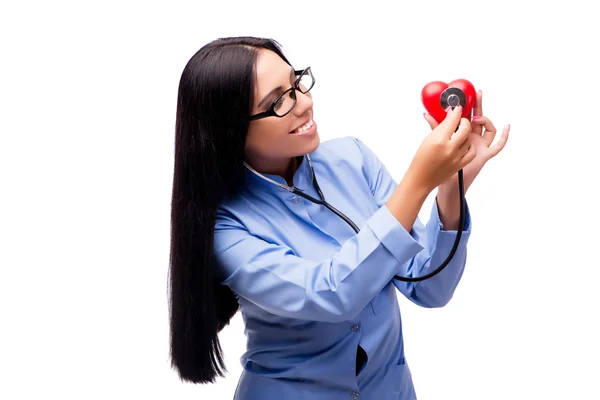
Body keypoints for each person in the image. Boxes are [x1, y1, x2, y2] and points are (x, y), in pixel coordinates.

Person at [168, 36, 509, 400]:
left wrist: (450, 186)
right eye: (278, 101)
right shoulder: (226, 227)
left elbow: (428, 287)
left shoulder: (353, 159)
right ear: (230, 129)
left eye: (297, 83)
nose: (304, 103)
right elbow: (329, 293)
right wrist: (418, 181)